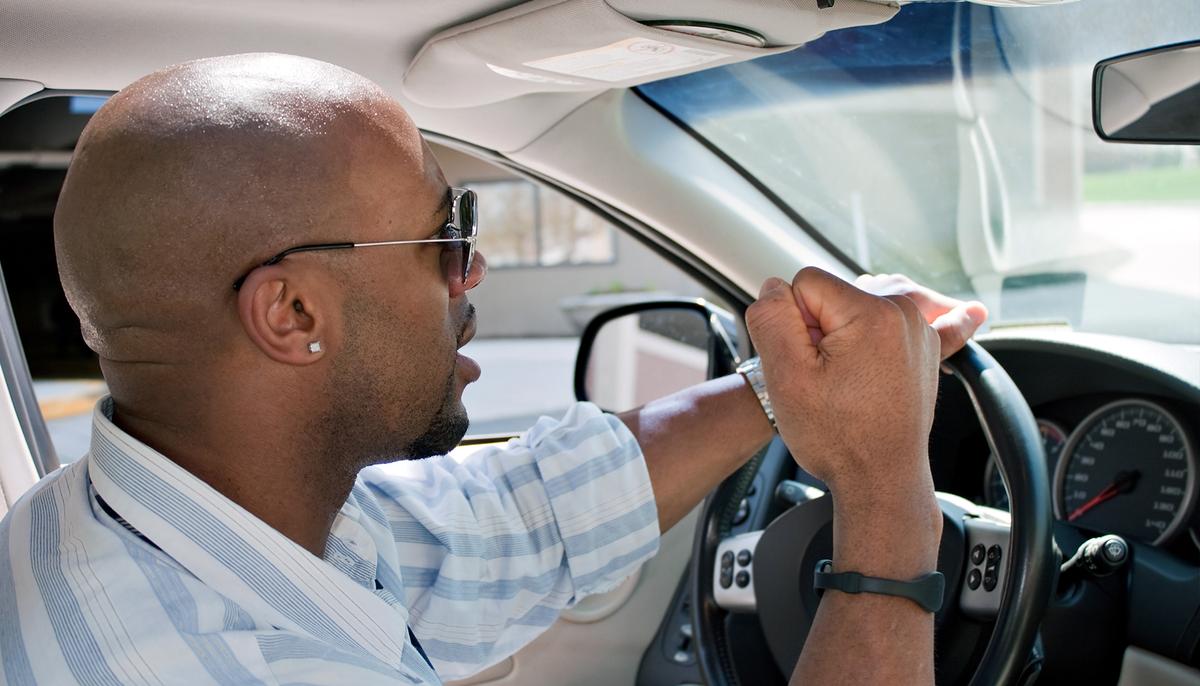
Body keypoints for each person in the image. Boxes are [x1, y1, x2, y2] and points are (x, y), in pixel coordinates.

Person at [0, 53, 986, 685]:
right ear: (293, 313)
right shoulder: (229, 665)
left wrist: (787, 382)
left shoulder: (137, 514)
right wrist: (887, 500)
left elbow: (519, 515)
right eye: (446, 234)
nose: (472, 270)